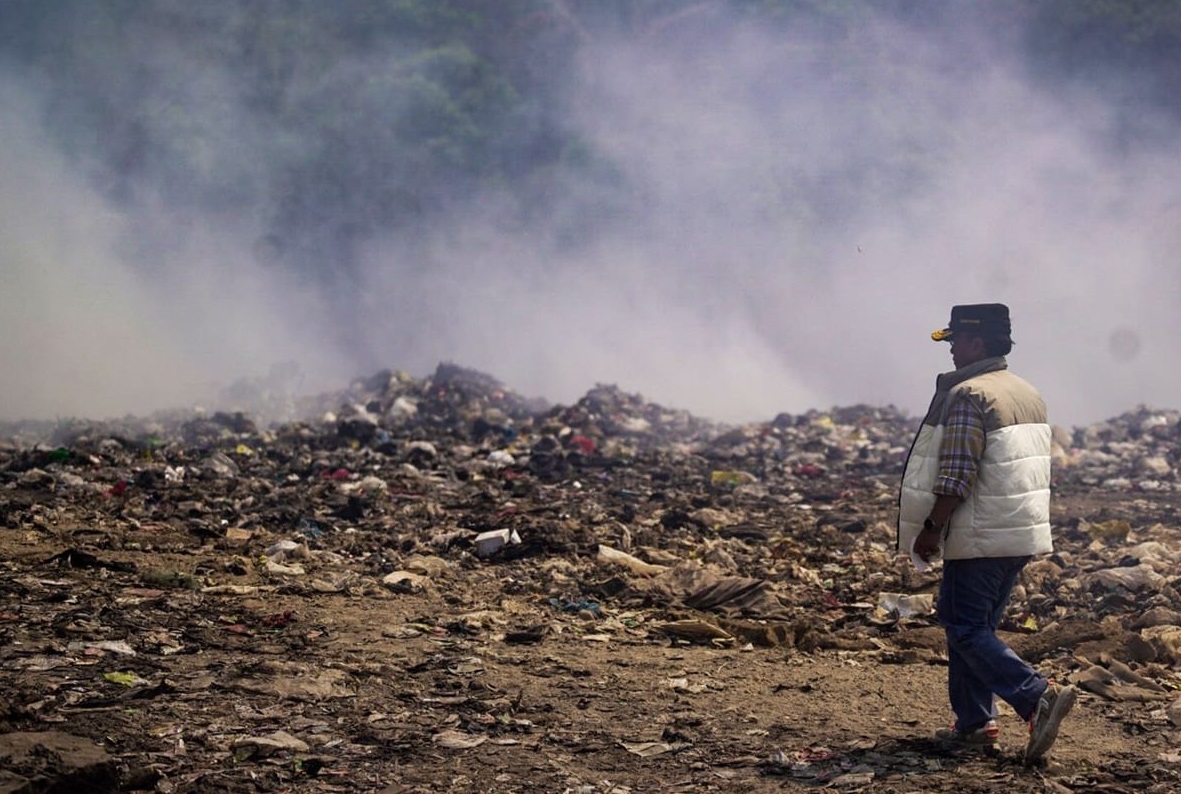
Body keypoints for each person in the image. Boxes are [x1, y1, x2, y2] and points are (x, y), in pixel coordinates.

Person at [897, 303, 1077, 764]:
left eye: (956, 340)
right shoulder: (1026, 392)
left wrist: (932, 527)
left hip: (980, 535)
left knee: (963, 626)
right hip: (1018, 533)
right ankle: (975, 724)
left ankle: (1035, 694)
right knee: (974, 629)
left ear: (977, 342)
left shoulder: (970, 394)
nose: (952, 348)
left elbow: (958, 471)